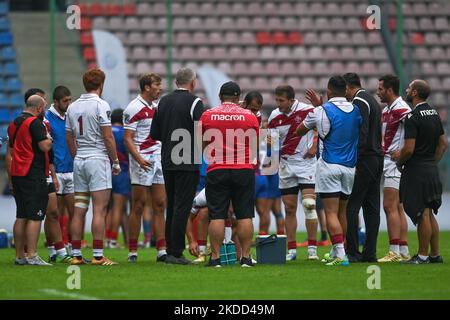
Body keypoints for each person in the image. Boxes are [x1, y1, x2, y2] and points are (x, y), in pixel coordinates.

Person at [296, 75, 362, 266]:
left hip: (328, 165)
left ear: (329, 91)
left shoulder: (321, 111)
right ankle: (338, 251)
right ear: (345, 90)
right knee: (342, 212)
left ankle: (341, 255)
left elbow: (300, 130)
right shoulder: (355, 109)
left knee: (330, 213)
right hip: (350, 167)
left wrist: (318, 108)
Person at [200, 81, 259, 267]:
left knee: (217, 215)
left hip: (217, 168)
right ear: (238, 97)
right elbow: (255, 144)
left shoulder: (207, 115)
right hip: (243, 169)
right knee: (244, 215)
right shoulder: (250, 116)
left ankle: (216, 258)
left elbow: (200, 144)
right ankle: (246, 257)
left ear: (219, 97)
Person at [66, 68, 121, 266]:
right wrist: (115, 161)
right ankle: (98, 255)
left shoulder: (72, 107)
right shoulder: (101, 105)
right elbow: (107, 136)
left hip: (80, 159)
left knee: (79, 208)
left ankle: (76, 255)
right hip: (97, 159)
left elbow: (69, 137)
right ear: (101, 84)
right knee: (100, 209)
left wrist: (77, 156)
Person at [150, 67, 204, 264]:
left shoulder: (163, 102)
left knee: (172, 205)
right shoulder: (195, 102)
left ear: (176, 83)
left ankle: (168, 250)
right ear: (192, 83)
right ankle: (176, 252)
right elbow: (201, 133)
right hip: (187, 160)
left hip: (167, 159)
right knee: (182, 205)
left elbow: (154, 134)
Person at [397, 80, 448, 264]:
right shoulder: (434, 113)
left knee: (421, 213)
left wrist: (399, 162)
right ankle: (435, 255)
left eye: (409, 88)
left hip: (417, 170)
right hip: (430, 170)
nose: (407, 90)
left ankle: (422, 255)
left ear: (415, 92)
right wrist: (432, 162)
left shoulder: (413, 116)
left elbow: (409, 149)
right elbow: (444, 143)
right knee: (429, 212)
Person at [268, 85, 319, 261]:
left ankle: (312, 249)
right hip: (286, 166)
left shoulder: (307, 110)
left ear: (291, 100)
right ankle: (292, 250)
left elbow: (320, 125)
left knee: (309, 205)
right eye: (277, 100)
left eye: (281, 100)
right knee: (289, 209)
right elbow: (271, 143)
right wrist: (268, 143)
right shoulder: (275, 116)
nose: (278, 103)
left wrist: (314, 145)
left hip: (306, 164)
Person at [123, 73, 167, 263]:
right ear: (147, 87)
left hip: (158, 160)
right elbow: (127, 139)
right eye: (157, 84)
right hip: (142, 160)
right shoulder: (133, 108)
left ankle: (162, 250)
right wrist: (139, 159)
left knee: (159, 204)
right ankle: (132, 251)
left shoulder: (157, 107)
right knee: (139, 205)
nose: (161, 88)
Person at [7, 95, 53, 265]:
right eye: (44, 107)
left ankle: (20, 256)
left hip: (17, 173)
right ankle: (32, 255)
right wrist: (50, 139)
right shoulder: (35, 123)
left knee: (21, 215)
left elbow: (11, 149)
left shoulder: (14, 123)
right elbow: (44, 146)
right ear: (39, 108)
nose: (45, 110)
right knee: (36, 215)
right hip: (32, 173)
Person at [343, 73, 383, 263]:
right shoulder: (373, 100)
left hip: (365, 159)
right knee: (372, 208)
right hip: (377, 158)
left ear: (348, 88)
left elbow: (363, 132)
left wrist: (356, 161)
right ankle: (370, 253)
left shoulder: (359, 101)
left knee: (352, 205)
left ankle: (352, 251)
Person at [376, 74, 411, 262]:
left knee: (389, 206)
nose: (378, 91)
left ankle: (394, 251)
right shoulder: (387, 110)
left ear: (390, 90)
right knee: (397, 207)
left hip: (395, 164)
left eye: (380, 88)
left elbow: (416, 131)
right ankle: (403, 251)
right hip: (388, 162)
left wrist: (404, 151)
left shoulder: (402, 109)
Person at [44, 86, 75, 262]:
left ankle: (72, 248)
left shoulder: (70, 115)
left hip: (71, 169)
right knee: (54, 213)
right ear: (56, 102)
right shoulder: (47, 118)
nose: (68, 103)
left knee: (74, 212)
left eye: (70, 100)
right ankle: (52, 249)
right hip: (55, 170)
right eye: (65, 101)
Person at [106, 108, 131, 249]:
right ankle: (113, 241)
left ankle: (107, 239)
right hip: (121, 172)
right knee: (118, 208)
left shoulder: (107, 132)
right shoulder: (123, 134)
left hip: (106, 171)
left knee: (107, 208)